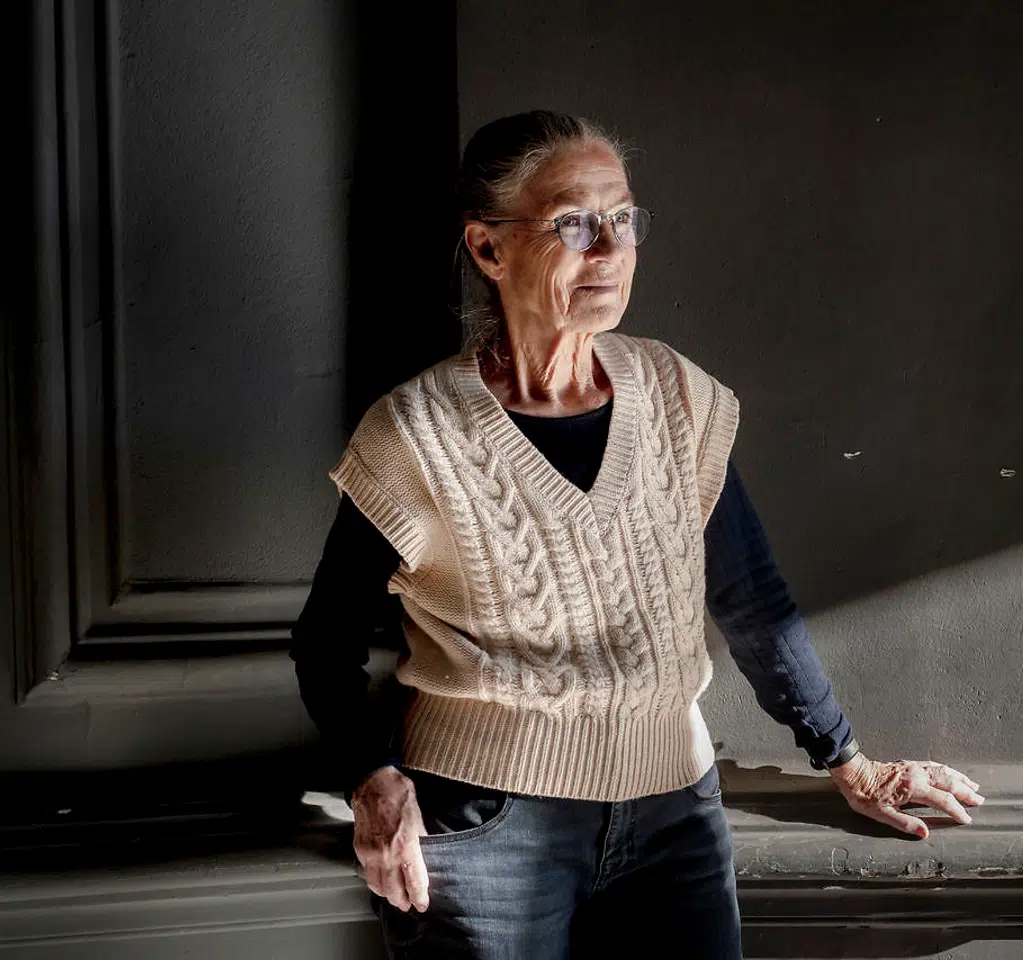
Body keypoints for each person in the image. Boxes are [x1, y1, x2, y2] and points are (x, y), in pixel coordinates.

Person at [290, 110, 984, 960]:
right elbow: (325, 642)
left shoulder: (675, 396)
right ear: (488, 248)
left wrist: (848, 759)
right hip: (484, 828)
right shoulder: (414, 436)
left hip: (674, 819)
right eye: (574, 224)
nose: (610, 249)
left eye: (622, 219)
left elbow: (750, 597)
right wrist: (372, 780)